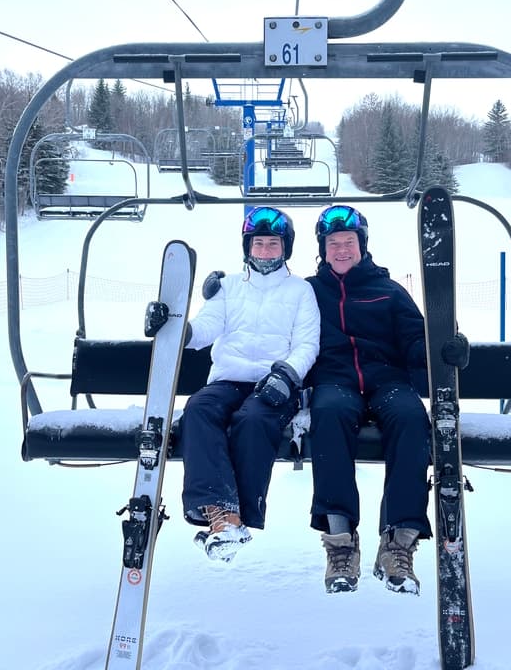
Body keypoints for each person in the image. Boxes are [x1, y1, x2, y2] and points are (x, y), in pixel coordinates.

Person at [303, 204, 469, 594]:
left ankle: (399, 541)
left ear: (362, 245)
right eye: (333, 243)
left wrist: (444, 346)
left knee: (412, 419)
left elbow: (416, 341)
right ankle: (340, 542)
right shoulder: (308, 292)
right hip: (335, 381)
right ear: (322, 249)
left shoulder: (388, 291)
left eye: (349, 242)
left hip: (386, 380)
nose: (342, 250)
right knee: (327, 415)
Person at [144, 206, 320, 563]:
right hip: (229, 379)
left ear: (285, 248)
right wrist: (180, 330)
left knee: (252, 420)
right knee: (198, 410)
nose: (266, 251)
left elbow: (307, 343)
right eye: (259, 244)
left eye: (274, 245)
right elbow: (207, 326)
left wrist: (286, 374)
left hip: (275, 384)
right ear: (247, 247)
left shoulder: (301, 291)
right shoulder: (227, 288)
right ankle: (221, 515)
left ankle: (231, 514)